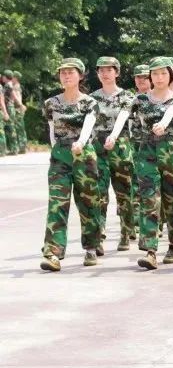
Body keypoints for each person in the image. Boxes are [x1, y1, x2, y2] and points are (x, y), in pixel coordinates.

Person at [39, 58, 101, 271]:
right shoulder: (51, 103)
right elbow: (51, 129)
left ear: (80, 76)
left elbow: (89, 125)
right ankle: (52, 253)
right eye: (62, 72)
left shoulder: (89, 103)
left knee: (88, 202)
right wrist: (55, 150)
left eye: (70, 72)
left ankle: (91, 247)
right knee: (57, 203)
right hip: (60, 157)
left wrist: (81, 143)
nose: (66, 76)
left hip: (84, 155)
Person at [131, 57, 173, 269]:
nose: (159, 77)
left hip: (171, 149)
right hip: (147, 150)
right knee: (148, 198)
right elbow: (126, 117)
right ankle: (150, 250)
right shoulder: (140, 100)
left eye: (164, 73)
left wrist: (163, 124)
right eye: (155, 74)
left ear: (170, 75)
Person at [91, 56, 137, 251]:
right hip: (97, 146)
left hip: (120, 144)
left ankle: (126, 232)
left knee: (124, 192)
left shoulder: (127, 96)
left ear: (117, 72)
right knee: (98, 192)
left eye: (109, 70)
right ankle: (98, 234)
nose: (105, 73)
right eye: (101, 70)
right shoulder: (91, 98)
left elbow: (124, 117)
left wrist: (114, 136)